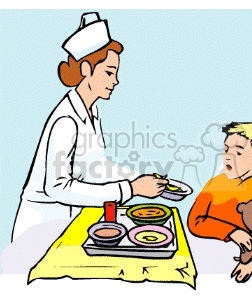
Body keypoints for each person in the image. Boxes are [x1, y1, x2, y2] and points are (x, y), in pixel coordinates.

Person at [12, 12, 168, 242]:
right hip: (40, 230)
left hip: (69, 222)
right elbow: (58, 187)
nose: (115, 80)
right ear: (86, 69)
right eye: (108, 72)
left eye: (115, 72)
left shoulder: (91, 112)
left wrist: (141, 178)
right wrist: (131, 189)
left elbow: (96, 166)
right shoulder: (65, 121)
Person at [188, 122, 252, 283]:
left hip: (243, 270)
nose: (228, 156)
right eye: (226, 150)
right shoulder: (215, 184)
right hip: (205, 263)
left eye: (238, 152)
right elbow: (195, 221)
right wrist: (232, 232)